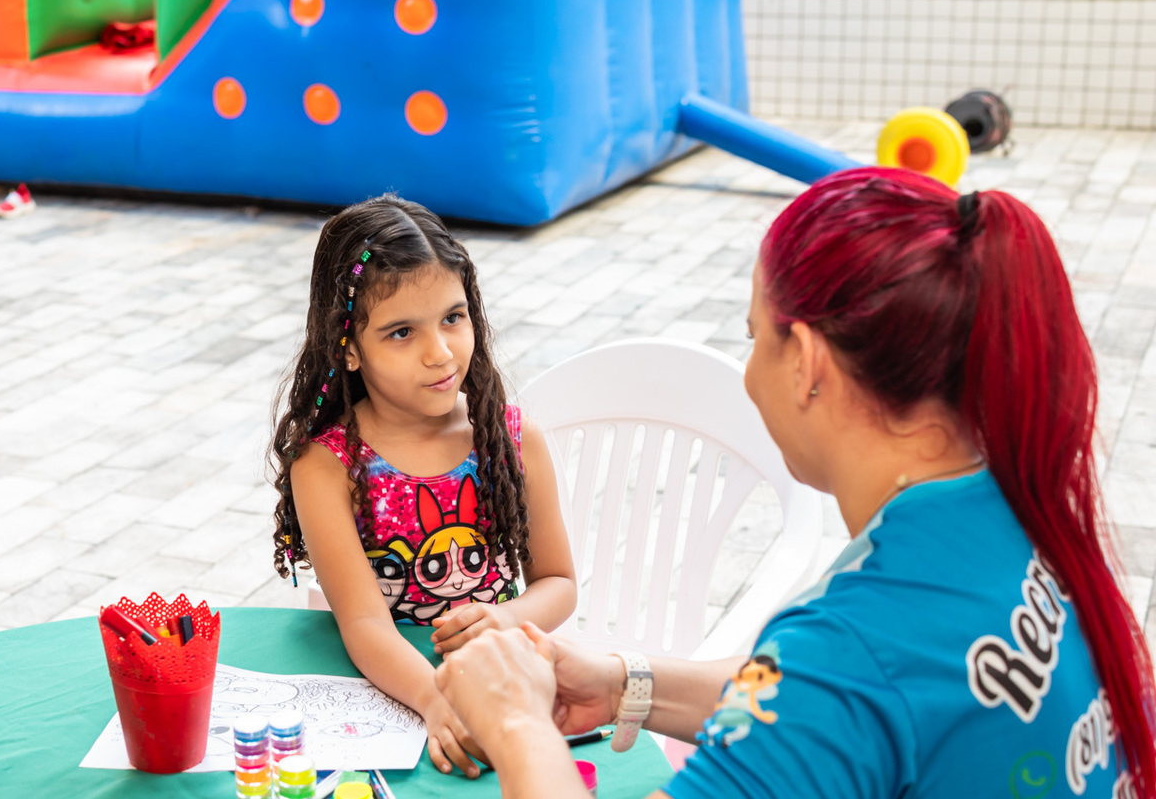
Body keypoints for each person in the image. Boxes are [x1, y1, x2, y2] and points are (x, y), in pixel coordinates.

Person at [434, 167, 1156, 798]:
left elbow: (841, 688)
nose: (749, 374)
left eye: (754, 337)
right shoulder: (1011, 498)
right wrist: (627, 683)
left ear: (806, 360)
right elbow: (839, 710)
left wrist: (517, 721)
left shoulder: (853, 643)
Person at [269, 194, 577, 779]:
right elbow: (363, 625)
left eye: (453, 318)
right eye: (402, 332)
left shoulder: (512, 438)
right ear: (351, 348)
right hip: (392, 696)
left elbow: (558, 583)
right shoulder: (327, 465)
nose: (440, 353)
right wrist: (437, 700)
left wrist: (506, 620)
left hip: (504, 682)